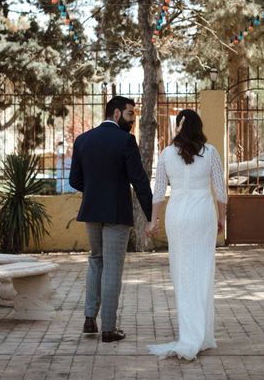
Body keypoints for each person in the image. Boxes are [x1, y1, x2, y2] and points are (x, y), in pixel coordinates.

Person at [69, 96, 153, 343]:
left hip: (92, 211)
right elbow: (139, 181)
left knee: (96, 260)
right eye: (130, 114)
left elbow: (75, 180)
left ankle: (88, 319)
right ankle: (108, 328)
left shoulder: (83, 140)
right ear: (116, 114)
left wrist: (95, 190)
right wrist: (151, 216)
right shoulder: (126, 141)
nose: (133, 119)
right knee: (113, 267)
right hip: (117, 213)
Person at [146, 109, 227, 360]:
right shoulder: (211, 152)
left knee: (182, 273)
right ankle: (201, 335)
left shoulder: (167, 154)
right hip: (203, 215)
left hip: (177, 216)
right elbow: (221, 191)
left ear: (178, 128)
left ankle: (189, 335)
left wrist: (152, 221)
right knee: (203, 271)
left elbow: (158, 192)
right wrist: (222, 218)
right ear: (199, 127)